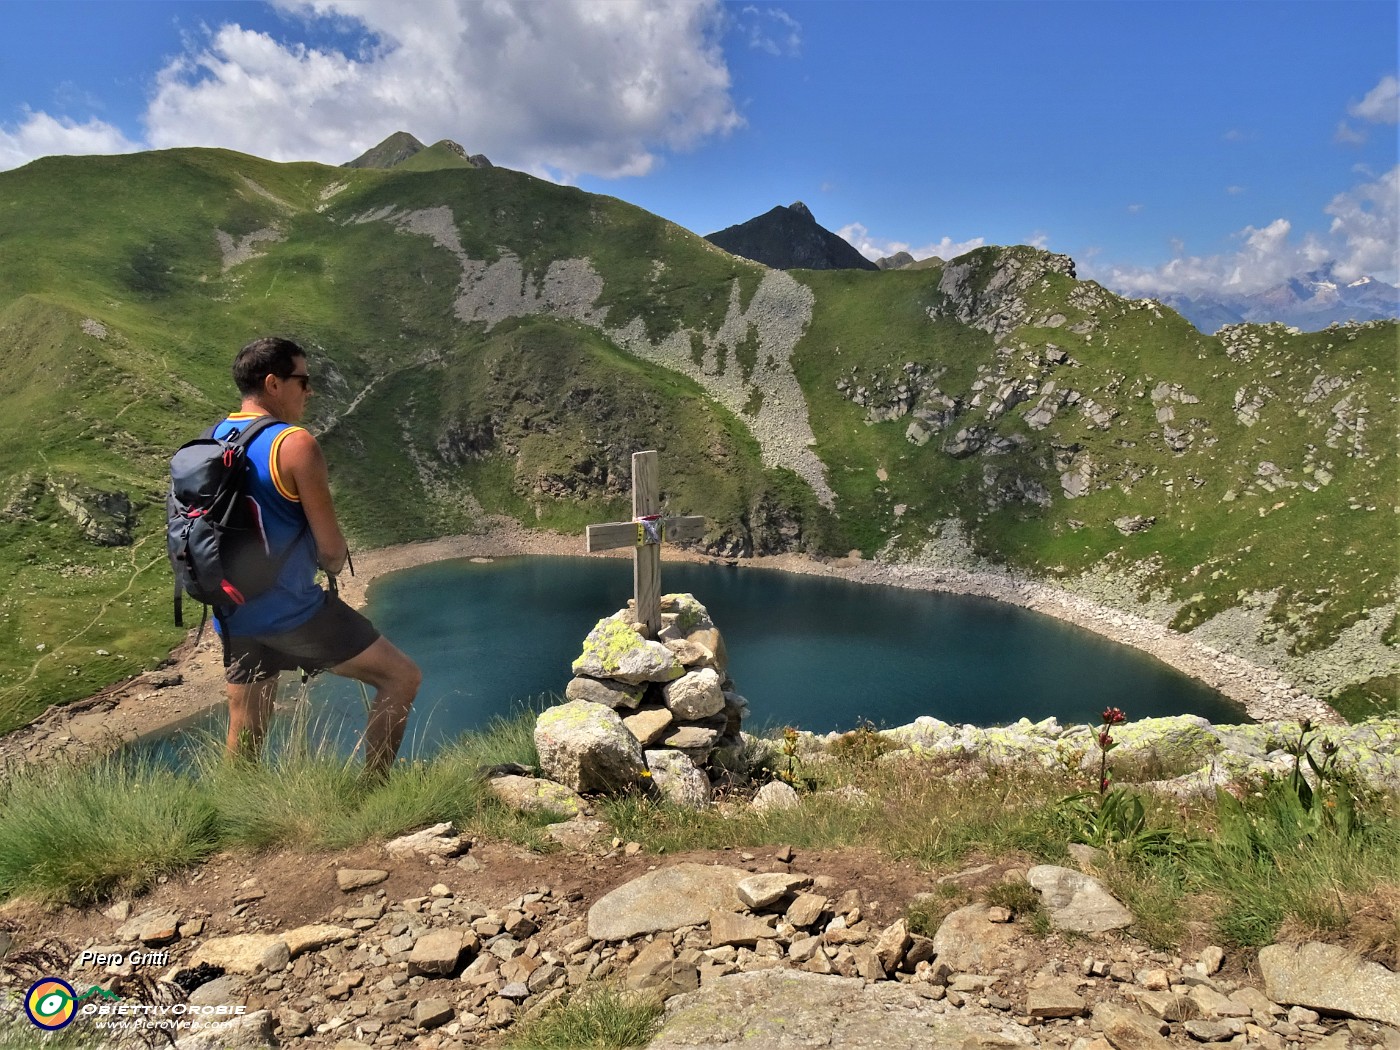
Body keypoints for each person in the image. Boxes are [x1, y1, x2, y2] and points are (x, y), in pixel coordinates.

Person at [214, 336, 421, 777]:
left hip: (232, 609)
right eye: (303, 381)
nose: (309, 391)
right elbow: (330, 551)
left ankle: (234, 817)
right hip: (290, 611)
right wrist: (329, 560)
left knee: (247, 719)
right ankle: (373, 791)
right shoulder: (294, 443)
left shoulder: (216, 437)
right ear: (273, 383)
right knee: (401, 677)